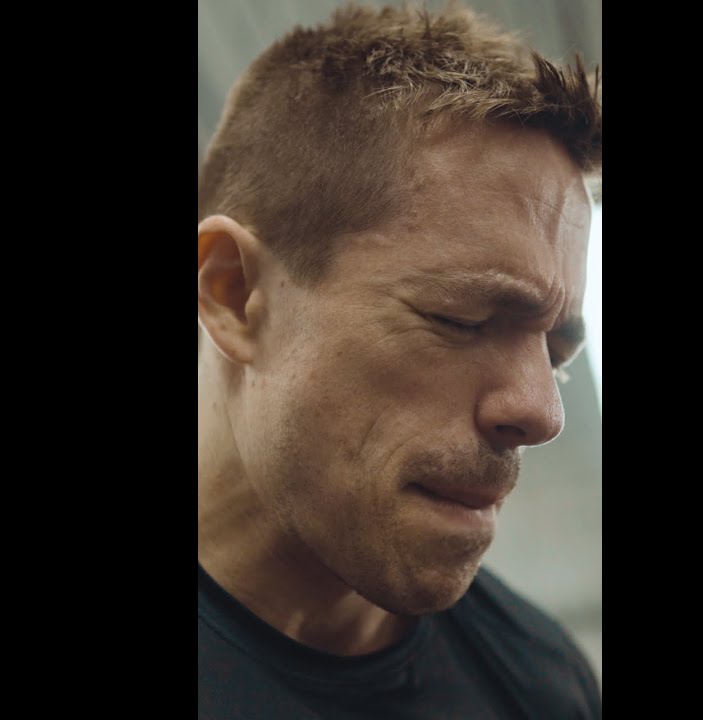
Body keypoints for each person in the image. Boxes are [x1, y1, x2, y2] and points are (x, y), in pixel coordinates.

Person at [197, 3, 601, 717]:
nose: (542, 414)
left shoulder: (545, 684)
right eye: (461, 319)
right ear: (234, 293)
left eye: (557, 352)